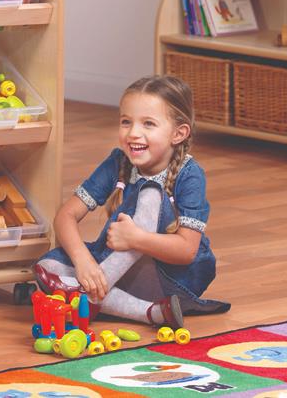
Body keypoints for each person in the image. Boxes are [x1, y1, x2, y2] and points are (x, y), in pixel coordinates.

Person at [34, 75, 229, 328]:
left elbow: (187, 251)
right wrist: (84, 263)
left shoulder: (190, 174)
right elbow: (65, 216)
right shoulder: (117, 161)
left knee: (150, 193)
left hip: (170, 278)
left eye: (148, 124)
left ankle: (86, 295)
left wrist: (135, 239)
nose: (133, 133)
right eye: (126, 122)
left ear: (178, 133)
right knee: (45, 266)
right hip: (122, 277)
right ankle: (150, 313)